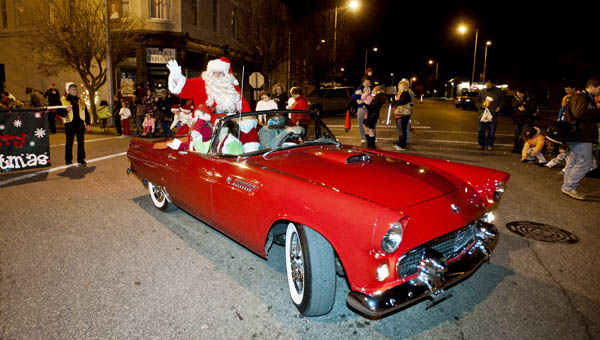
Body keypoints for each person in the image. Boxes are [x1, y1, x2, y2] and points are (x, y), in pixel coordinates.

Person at [166, 56, 250, 122]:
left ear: (226, 75)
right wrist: (177, 78)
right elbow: (187, 87)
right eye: (214, 72)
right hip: (205, 128)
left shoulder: (232, 88)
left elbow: (244, 106)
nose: (217, 75)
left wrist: (247, 120)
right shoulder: (202, 83)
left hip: (231, 125)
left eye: (220, 73)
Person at [561, 77, 600, 200]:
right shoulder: (581, 97)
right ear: (592, 86)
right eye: (599, 89)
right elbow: (579, 114)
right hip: (581, 135)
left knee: (573, 161)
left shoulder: (585, 97)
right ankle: (569, 187)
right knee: (585, 163)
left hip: (580, 135)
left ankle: (567, 186)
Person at [57, 82, 90, 165]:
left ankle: (81, 159)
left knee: (81, 142)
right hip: (69, 124)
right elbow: (59, 112)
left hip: (80, 124)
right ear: (68, 91)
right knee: (69, 142)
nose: (75, 91)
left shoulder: (81, 100)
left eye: (76, 89)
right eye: (73, 89)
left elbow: (85, 112)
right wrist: (65, 111)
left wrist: (88, 123)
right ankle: (68, 159)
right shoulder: (63, 100)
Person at [475, 80, 505, 150]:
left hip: (493, 113)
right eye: (486, 84)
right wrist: (481, 106)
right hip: (483, 112)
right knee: (481, 130)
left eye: (489, 84)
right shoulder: (482, 91)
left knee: (491, 130)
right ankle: (481, 144)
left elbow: (502, 100)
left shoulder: (498, 91)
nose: (487, 86)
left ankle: (489, 145)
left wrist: (499, 107)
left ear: (492, 84)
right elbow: (477, 101)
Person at [511, 89, 537, 153]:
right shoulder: (514, 99)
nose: (519, 95)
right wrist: (517, 108)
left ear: (524, 93)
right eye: (518, 93)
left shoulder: (529, 99)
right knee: (517, 134)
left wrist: (525, 109)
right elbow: (512, 107)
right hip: (517, 119)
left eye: (521, 93)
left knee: (524, 134)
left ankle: (522, 148)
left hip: (526, 119)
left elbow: (533, 108)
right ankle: (516, 147)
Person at [392, 80, 412, 151]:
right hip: (400, 113)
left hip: (403, 114)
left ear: (403, 87)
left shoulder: (405, 93)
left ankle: (402, 145)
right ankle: (400, 142)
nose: (398, 87)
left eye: (399, 86)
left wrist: (393, 102)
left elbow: (401, 102)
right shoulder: (401, 93)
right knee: (401, 130)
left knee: (402, 130)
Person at [352, 76, 372, 143]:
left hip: (369, 107)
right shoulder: (360, 88)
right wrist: (361, 96)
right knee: (361, 122)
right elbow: (354, 96)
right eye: (366, 81)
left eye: (368, 81)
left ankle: (371, 136)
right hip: (361, 107)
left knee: (370, 123)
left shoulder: (370, 88)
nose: (367, 83)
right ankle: (363, 137)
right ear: (363, 82)